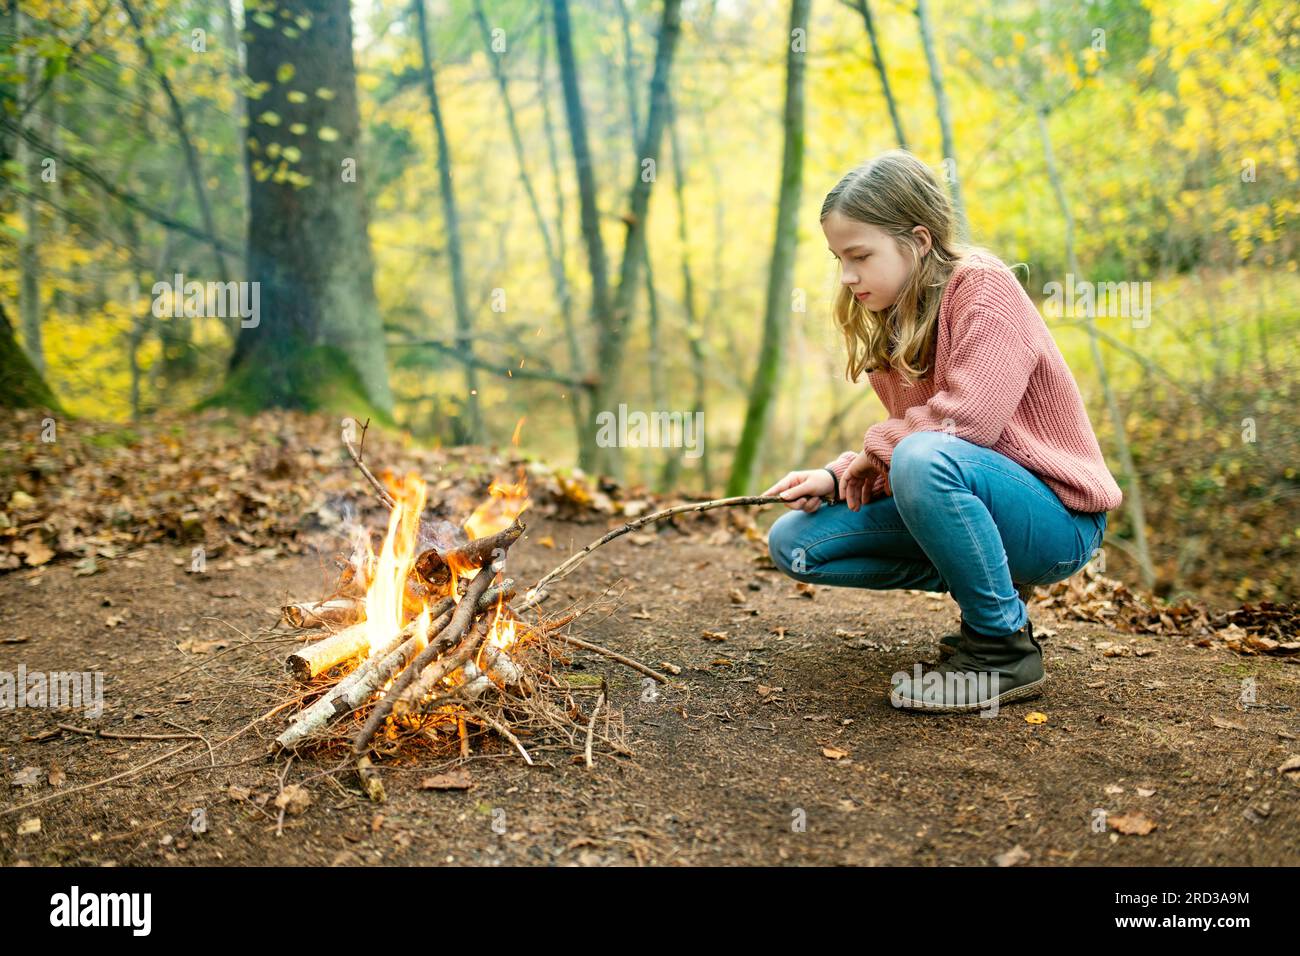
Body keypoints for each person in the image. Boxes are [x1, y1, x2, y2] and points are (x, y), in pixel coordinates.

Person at [762, 150, 1122, 714]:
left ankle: (1002, 650)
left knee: (923, 458)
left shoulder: (983, 287)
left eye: (860, 255)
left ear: (920, 240)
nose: (848, 276)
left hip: (1056, 521)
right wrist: (836, 478)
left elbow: (964, 424)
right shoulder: (893, 317)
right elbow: (916, 445)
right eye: (838, 259)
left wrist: (873, 451)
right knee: (796, 544)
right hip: (969, 491)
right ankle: (988, 591)